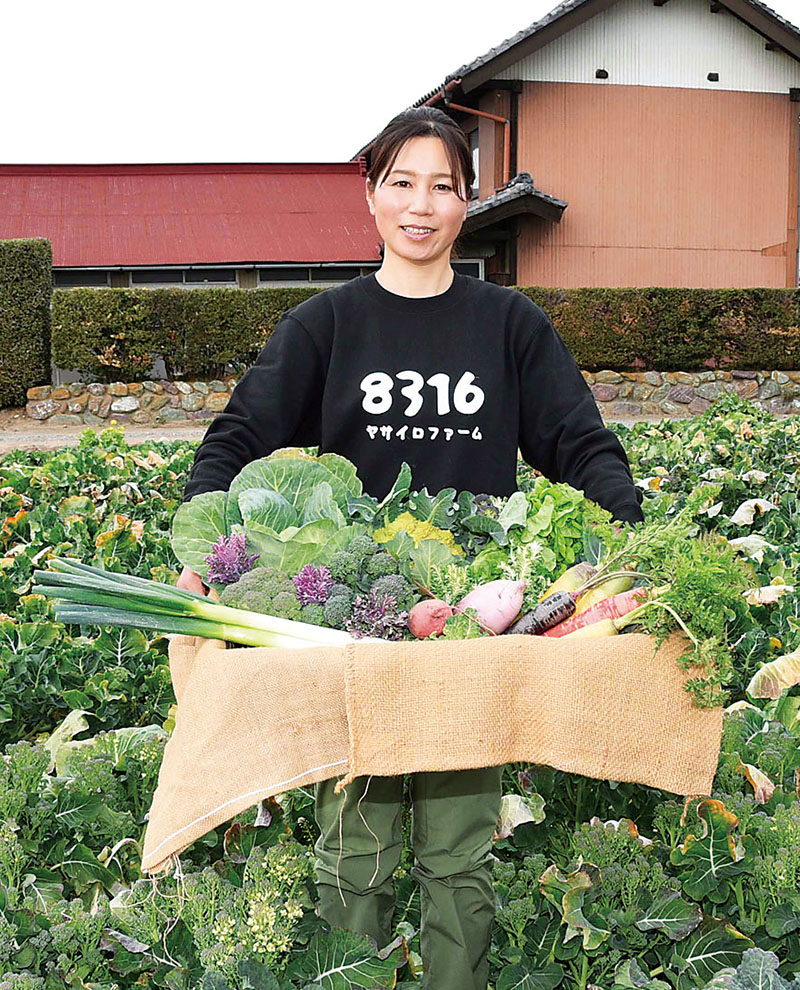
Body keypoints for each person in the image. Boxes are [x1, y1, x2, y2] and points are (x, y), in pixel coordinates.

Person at [177, 106, 644, 989]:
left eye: (443, 185)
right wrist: (202, 539)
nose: (420, 205)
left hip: (471, 627)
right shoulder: (327, 325)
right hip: (359, 629)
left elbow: (580, 444)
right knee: (354, 851)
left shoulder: (509, 325)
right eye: (402, 183)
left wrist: (633, 531)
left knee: (459, 857)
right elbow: (236, 435)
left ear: (468, 202)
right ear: (371, 196)